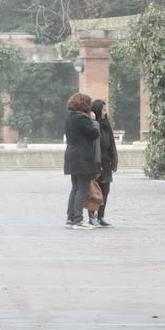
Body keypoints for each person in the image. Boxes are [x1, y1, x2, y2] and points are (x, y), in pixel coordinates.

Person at [63, 91, 100, 230]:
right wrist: (93, 120)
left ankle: (70, 218)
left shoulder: (70, 117)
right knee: (82, 189)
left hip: (72, 156)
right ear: (85, 105)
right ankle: (78, 219)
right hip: (82, 158)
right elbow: (94, 134)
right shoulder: (82, 119)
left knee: (75, 188)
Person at [89, 99, 118, 227]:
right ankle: (92, 217)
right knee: (95, 191)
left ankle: (101, 216)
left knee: (105, 191)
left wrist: (114, 161)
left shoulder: (106, 124)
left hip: (106, 162)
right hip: (96, 162)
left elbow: (112, 144)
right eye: (103, 109)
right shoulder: (93, 124)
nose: (105, 112)